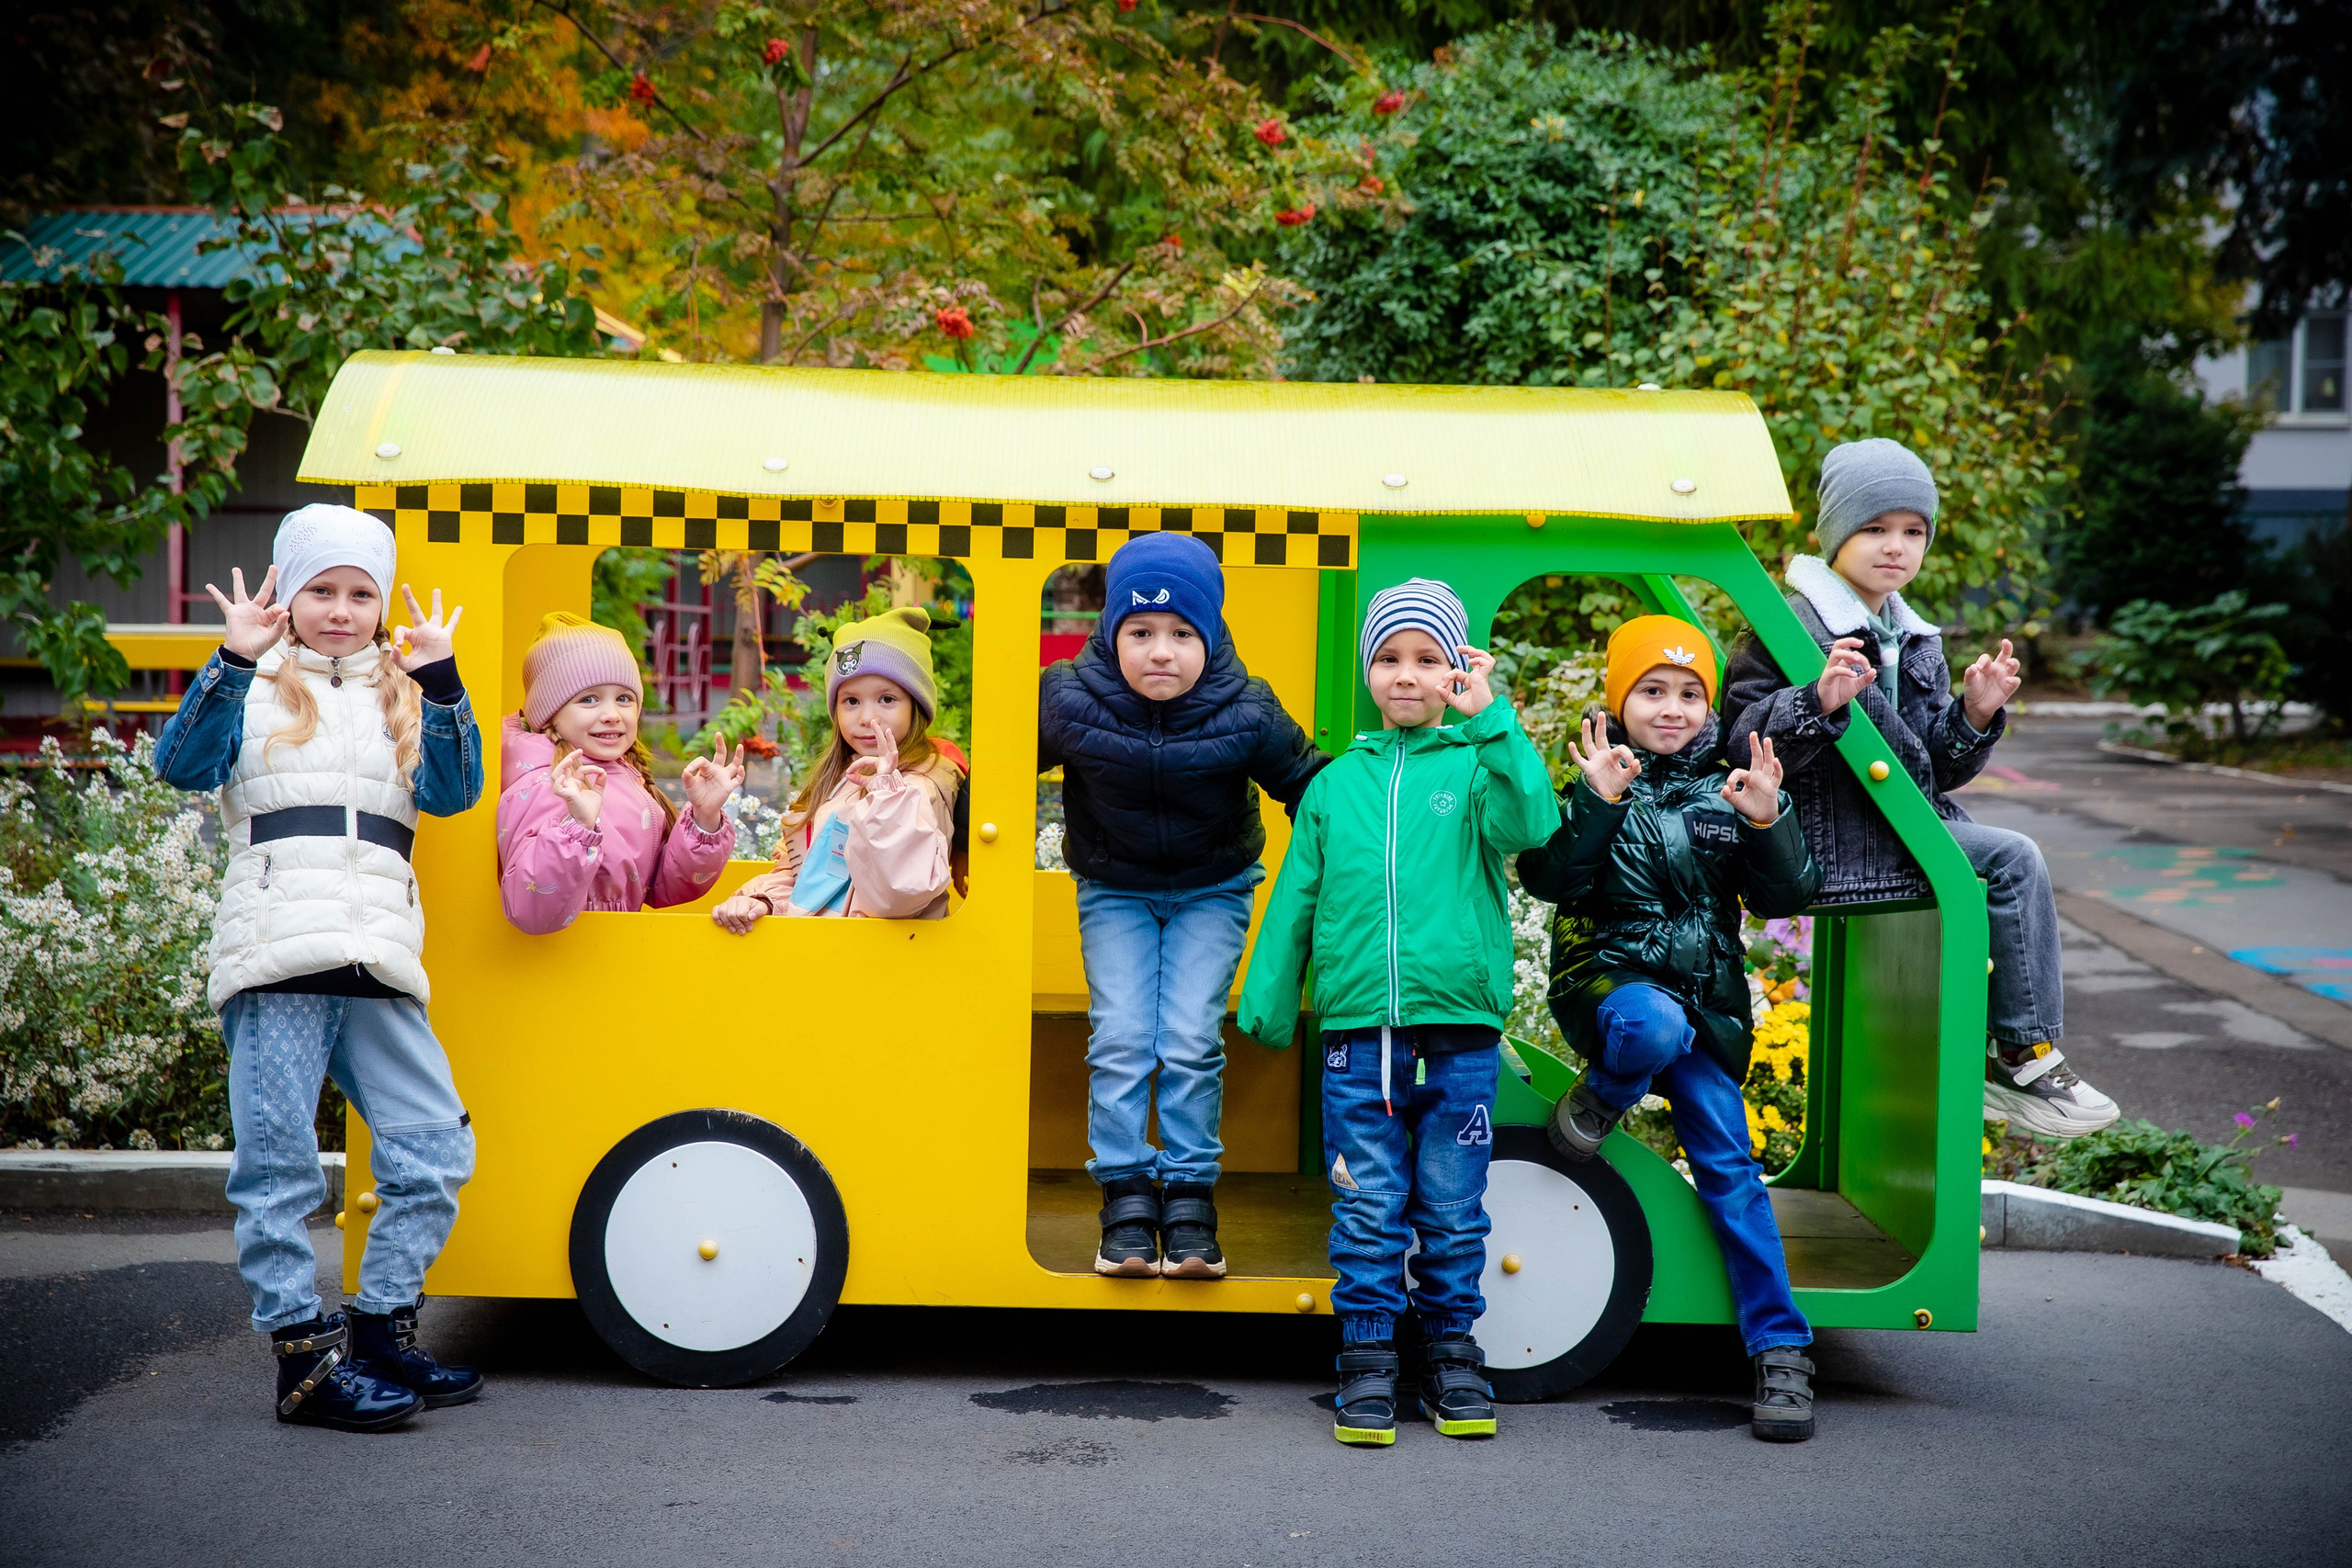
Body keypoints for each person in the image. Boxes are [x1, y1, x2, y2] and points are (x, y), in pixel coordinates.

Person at [153, 503, 485, 1433]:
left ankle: (380, 1331)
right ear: (289, 595)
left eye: (360, 593)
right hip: (279, 951)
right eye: (321, 590)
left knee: (433, 1148)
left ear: (381, 603)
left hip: (377, 952)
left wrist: (442, 679)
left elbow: (455, 794)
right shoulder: (254, 679)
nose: (341, 609)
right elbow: (181, 767)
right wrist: (231, 660)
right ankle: (303, 1361)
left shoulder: (403, 688)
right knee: (281, 1168)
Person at [1237, 579, 1560, 1448]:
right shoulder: (1336, 785)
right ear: (1368, 672)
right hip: (1357, 1036)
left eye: (1427, 657)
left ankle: (1451, 1352)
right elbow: (1297, 896)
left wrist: (1493, 720)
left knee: (1452, 1205)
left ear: (1457, 670)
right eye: (1388, 657)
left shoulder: (1479, 766)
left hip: (1458, 1030)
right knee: (1366, 1202)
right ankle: (1369, 1356)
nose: (1406, 674)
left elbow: (1534, 821)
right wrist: (1269, 997)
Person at [1721, 438, 2118, 1139]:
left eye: (1913, 531)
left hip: (1897, 832)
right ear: (1834, 535)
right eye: (1874, 528)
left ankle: (2017, 1054)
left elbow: (1934, 768)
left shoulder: (1913, 637)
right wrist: (1815, 700)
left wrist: (1974, 715)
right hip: (1826, 849)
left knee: (2007, 858)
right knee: (2013, 858)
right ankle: (2021, 1054)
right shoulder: (1790, 628)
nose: (1895, 547)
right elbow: (1740, 738)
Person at [1518, 615, 1825, 1442]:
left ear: (1710, 706)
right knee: (1651, 1021)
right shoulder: (1597, 776)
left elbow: (1788, 896)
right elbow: (1548, 876)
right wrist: (1596, 801)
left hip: (1705, 1011)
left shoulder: (1728, 790)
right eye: (1651, 690)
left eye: (1690, 693)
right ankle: (1603, 1094)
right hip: (1612, 991)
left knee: (1731, 1166)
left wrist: (1768, 819)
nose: (1671, 707)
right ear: (1620, 700)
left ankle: (1780, 1348)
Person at [1037, 533, 1327, 1280]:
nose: (1160, 652)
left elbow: (1309, 784)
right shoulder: (1068, 698)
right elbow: (998, 766)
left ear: (1211, 634)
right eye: (1140, 632)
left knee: (1191, 1037)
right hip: (1115, 890)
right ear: (1111, 631)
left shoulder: (1247, 706)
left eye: (1181, 634)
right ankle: (1128, 1197)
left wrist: (1370, 843)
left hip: (1212, 888)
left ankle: (1191, 1195)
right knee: (1123, 1036)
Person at [710, 604, 962, 927]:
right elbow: (802, 876)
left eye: (886, 699)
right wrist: (762, 900)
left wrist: (887, 795)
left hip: (881, 954)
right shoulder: (839, 780)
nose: (867, 717)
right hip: (823, 948)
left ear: (917, 707)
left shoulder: (919, 786)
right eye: (851, 701)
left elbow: (899, 895)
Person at [496, 612, 741, 931]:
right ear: (550, 714)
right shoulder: (546, 784)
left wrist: (704, 818)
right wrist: (577, 828)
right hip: (567, 957)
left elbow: (665, 887)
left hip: (617, 949)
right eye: (589, 699)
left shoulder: (625, 774)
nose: (612, 714)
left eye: (624, 698)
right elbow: (531, 912)